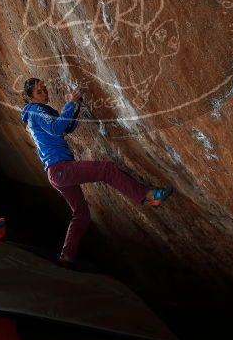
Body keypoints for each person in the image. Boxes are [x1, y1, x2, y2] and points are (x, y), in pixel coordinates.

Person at [20, 78, 172, 267]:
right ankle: (147, 196)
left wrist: (75, 107)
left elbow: (66, 127)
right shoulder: (36, 110)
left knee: (81, 214)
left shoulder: (39, 112)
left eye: (44, 88)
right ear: (30, 97)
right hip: (60, 169)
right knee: (106, 170)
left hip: (57, 174)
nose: (45, 92)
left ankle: (66, 258)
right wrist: (71, 102)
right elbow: (56, 128)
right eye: (39, 91)